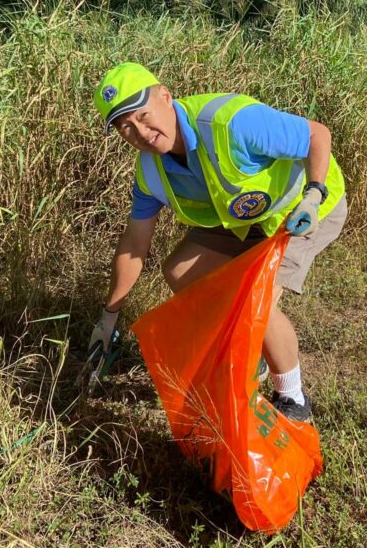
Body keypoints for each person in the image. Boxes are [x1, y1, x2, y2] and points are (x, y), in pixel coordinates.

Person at [88, 62, 347, 422]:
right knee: (179, 270)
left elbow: (317, 135)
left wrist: (314, 194)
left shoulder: (229, 122)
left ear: (165, 96)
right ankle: (245, 351)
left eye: (143, 116)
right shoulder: (150, 170)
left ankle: (293, 399)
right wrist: (109, 316)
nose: (141, 132)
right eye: (125, 127)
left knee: (256, 300)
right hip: (241, 219)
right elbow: (135, 244)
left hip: (301, 209)